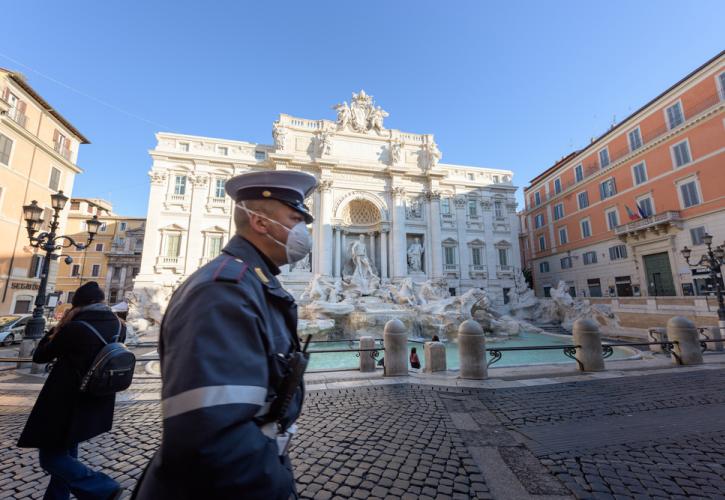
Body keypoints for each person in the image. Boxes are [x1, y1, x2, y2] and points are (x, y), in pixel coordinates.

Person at [133, 170, 317, 499]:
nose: (304, 231)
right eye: (295, 218)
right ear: (260, 222)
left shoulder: (252, 282)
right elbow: (213, 435)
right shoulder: (223, 290)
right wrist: (278, 486)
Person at [17, 281, 125, 500]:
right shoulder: (119, 326)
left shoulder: (75, 328)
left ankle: (103, 487)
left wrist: (55, 330)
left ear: (78, 304)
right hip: (94, 400)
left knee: (51, 458)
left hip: (64, 401)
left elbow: (40, 356)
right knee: (68, 452)